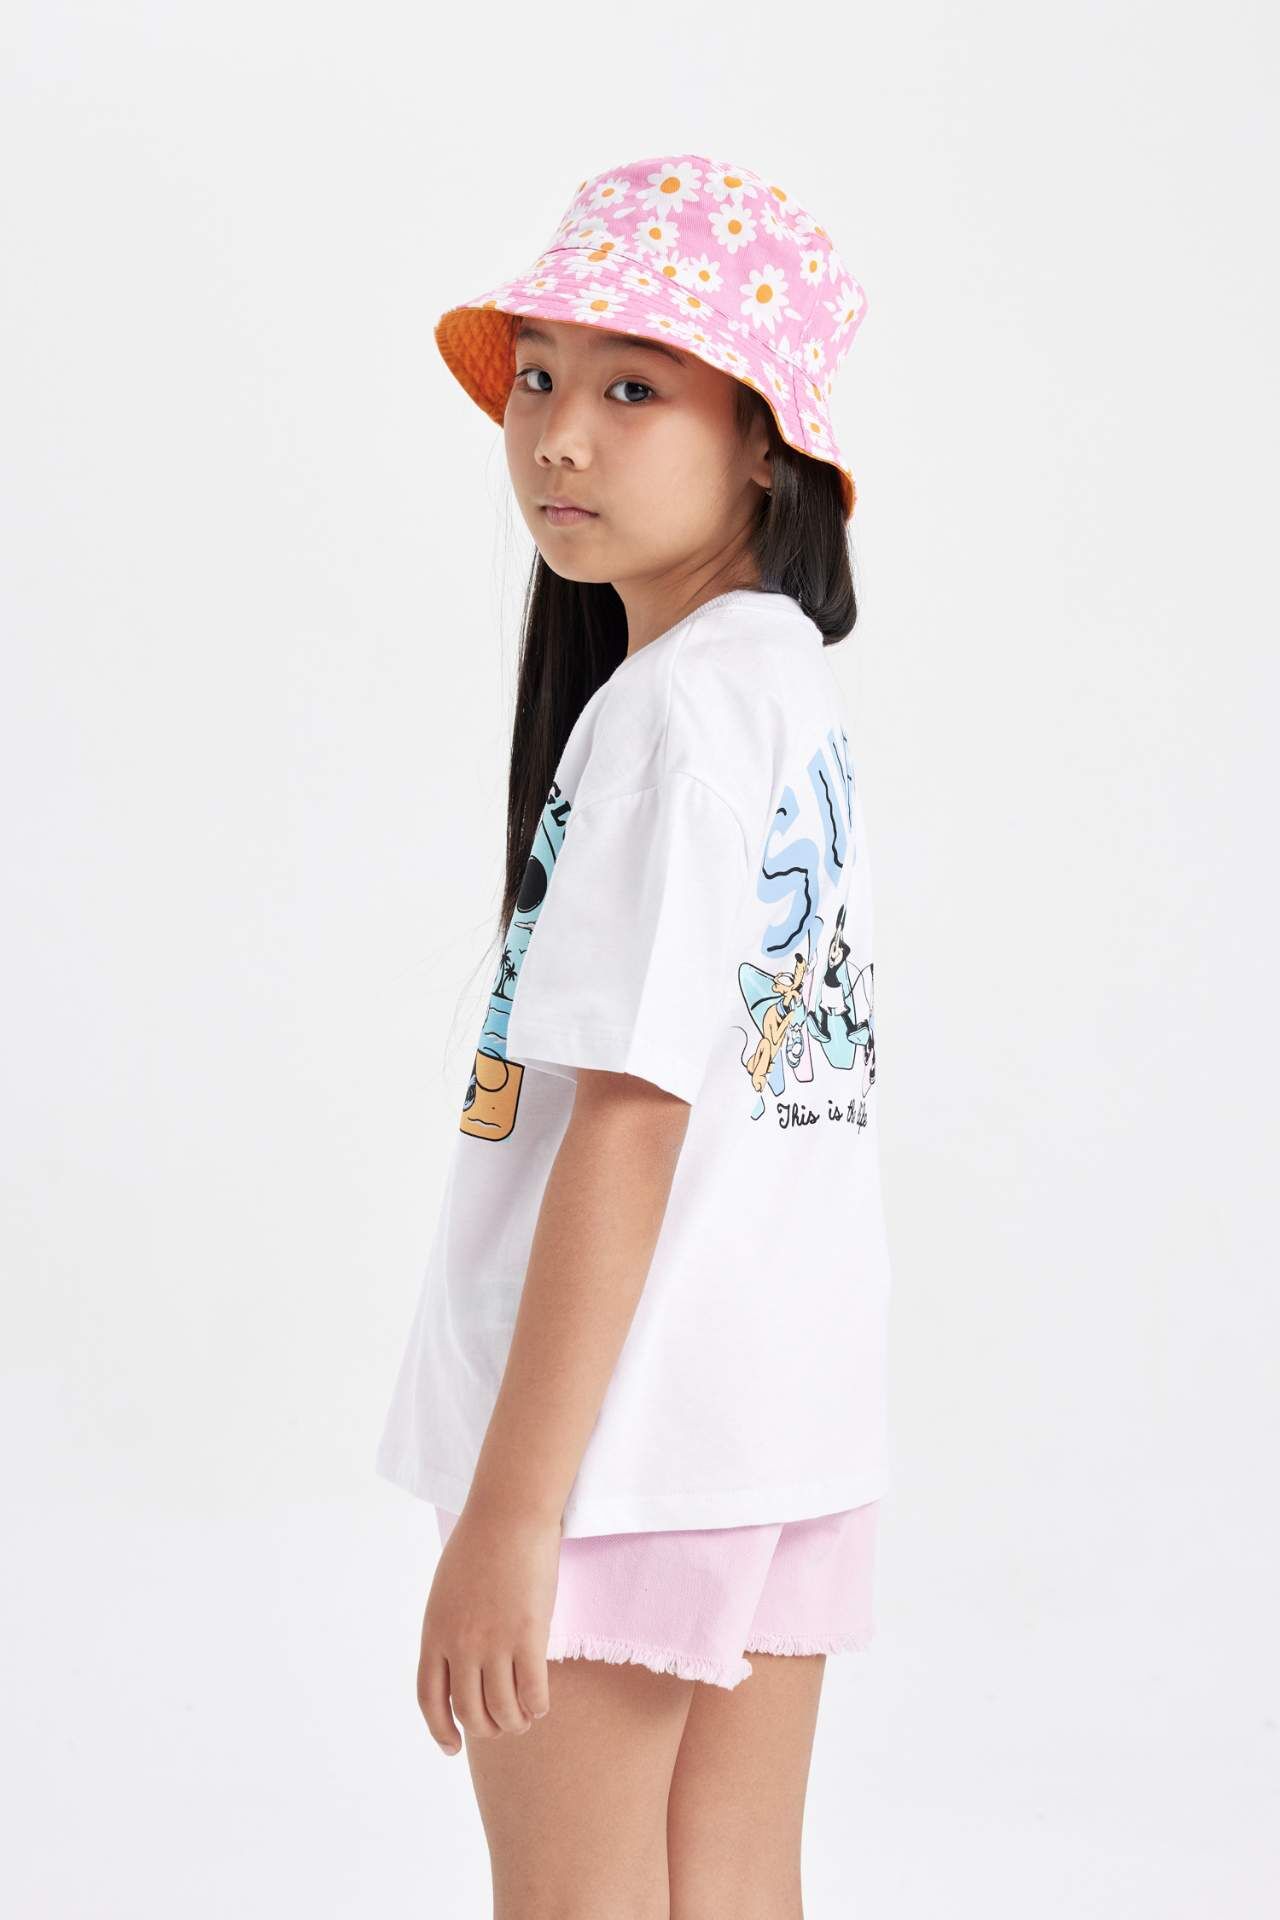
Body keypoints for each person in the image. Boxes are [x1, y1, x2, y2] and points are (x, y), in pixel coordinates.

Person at [374, 151, 893, 1915]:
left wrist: (514, 1513)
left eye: (632, 388)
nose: (559, 437)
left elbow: (633, 1116)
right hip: (769, 1423)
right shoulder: (777, 686)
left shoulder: (674, 714)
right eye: (539, 379)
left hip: (622, 1448)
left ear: (763, 441)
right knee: (729, 1889)